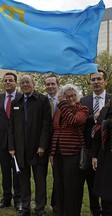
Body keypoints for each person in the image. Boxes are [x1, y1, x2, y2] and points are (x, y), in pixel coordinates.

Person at [8, 75, 51, 216]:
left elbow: (46, 125)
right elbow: (11, 127)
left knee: (40, 181)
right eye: (22, 83)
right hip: (21, 149)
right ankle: (25, 207)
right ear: (20, 86)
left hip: (38, 149)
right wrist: (12, 147)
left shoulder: (42, 100)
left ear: (33, 84)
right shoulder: (16, 101)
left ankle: (40, 208)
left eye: (28, 82)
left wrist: (42, 146)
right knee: (23, 181)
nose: (25, 84)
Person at [50, 84, 88, 216]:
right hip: (58, 153)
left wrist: (62, 105)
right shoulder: (60, 110)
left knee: (72, 186)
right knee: (59, 185)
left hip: (73, 153)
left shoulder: (82, 109)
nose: (71, 98)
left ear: (78, 96)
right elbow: (55, 129)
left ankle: (72, 213)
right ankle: (61, 211)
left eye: (73, 95)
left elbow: (73, 121)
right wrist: (52, 152)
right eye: (67, 96)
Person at [80, 69, 111, 216]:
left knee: (107, 180)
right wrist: (94, 117)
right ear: (90, 82)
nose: (96, 82)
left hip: (106, 149)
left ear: (105, 81)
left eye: (99, 79)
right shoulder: (83, 101)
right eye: (93, 80)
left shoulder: (110, 99)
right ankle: (94, 209)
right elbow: (80, 121)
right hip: (89, 147)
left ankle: (107, 209)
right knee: (91, 180)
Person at [0, 72, 21, 209]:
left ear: (16, 83)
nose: (7, 82)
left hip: (18, 142)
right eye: (5, 80)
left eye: (10, 80)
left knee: (17, 171)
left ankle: (18, 199)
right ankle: (6, 198)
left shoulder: (22, 97)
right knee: (5, 171)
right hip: (2, 141)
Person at [91, 100, 112, 215]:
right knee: (106, 192)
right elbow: (97, 136)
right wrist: (94, 156)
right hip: (106, 157)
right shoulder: (104, 111)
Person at [44, 75, 60, 214]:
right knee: (40, 175)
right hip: (43, 143)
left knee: (58, 174)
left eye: (52, 84)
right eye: (48, 84)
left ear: (57, 85)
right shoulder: (42, 101)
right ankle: (40, 203)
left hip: (59, 144)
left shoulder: (63, 100)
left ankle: (56, 203)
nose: (50, 87)